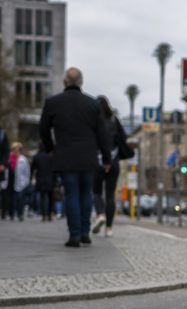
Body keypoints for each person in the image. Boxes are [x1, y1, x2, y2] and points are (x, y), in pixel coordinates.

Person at [39, 67, 111, 247]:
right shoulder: (93, 104)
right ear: (81, 82)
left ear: (65, 81)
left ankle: (75, 235)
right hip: (88, 157)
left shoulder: (53, 103)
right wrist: (107, 158)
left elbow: (43, 130)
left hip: (65, 156)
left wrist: (50, 149)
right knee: (86, 193)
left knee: (71, 193)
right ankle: (85, 232)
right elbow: (102, 134)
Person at [90, 96, 128, 238]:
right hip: (114, 162)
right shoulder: (114, 120)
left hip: (97, 161)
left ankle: (100, 214)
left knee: (97, 192)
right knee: (110, 194)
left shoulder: (94, 121)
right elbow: (124, 138)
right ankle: (109, 228)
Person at [32, 149, 56, 222]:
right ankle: (50, 214)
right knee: (51, 198)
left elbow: (33, 168)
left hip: (41, 179)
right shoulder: (52, 156)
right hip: (51, 179)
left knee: (42, 198)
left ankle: (43, 215)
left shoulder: (36, 156)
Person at [10, 142, 31, 221]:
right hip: (13, 182)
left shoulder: (23, 159)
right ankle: (15, 213)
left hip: (22, 183)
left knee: (20, 199)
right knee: (15, 199)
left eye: (15, 149)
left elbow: (27, 172)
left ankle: (20, 214)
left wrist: (26, 182)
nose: (14, 151)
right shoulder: (12, 159)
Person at [0, 127, 9, 219]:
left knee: (3, 191)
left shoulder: (2, 134)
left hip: (1, 168)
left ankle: (3, 212)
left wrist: (3, 164)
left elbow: (6, 150)